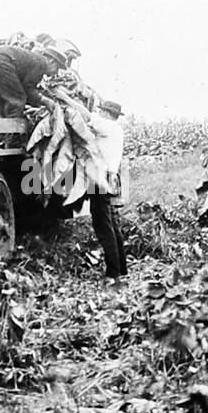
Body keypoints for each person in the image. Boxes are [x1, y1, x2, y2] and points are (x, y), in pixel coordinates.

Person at [87, 100, 128, 280]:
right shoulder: (115, 129)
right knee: (111, 222)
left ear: (107, 114)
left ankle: (113, 273)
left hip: (100, 179)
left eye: (102, 111)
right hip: (110, 177)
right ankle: (122, 268)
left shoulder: (108, 127)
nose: (100, 113)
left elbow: (87, 116)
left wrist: (65, 99)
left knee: (103, 225)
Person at [0, 44, 71, 119]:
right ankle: (12, 134)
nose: (56, 72)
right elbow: (28, 88)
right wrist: (45, 100)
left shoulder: (33, 58)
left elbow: (22, 87)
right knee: (18, 100)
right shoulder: (41, 64)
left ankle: (3, 128)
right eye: (57, 68)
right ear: (51, 61)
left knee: (1, 98)